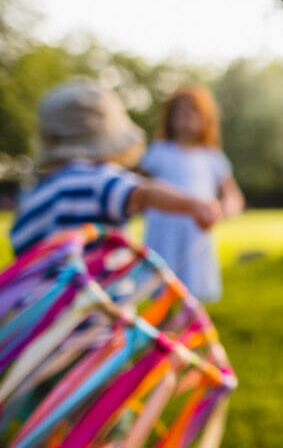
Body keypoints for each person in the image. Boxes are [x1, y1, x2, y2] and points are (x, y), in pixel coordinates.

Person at [8, 80, 220, 256]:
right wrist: (193, 204)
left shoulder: (35, 196)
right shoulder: (95, 179)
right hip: (97, 300)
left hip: (49, 305)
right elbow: (143, 194)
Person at [140, 84, 244, 303]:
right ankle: (161, 332)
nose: (185, 116)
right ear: (169, 116)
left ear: (206, 118)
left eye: (192, 110)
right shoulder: (158, 152)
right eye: (179, 110)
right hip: (163, 229)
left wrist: (223, 210)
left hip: (196, 232)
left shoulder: (212, 156)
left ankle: (189, 333)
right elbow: (138, 187)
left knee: (193, 295)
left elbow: (232, 196)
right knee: (161, 289)